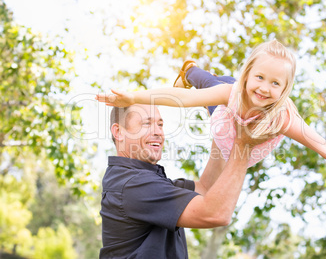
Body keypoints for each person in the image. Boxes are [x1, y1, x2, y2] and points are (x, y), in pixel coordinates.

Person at [96, 39, 326, 193]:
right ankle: (190, 70)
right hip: (226, 121)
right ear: (248, 75)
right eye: (260, 78)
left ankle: (213, 76)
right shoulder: (234, 93)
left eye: (275, 83)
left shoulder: (283, 118)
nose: (265, 89)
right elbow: (185, 98)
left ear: (286, 88)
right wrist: (133, 97)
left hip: (239, 144)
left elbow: (325, 146)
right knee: (211, 85)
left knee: (220, 86)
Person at [99, 104, 267, 258]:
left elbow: (206, 188)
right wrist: (244, 145)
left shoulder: (143, 180)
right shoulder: (133, 185)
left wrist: (222, 128)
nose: (158, 132)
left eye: (160, 124)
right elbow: (215, 213)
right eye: (146, 124)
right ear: (118, 132)